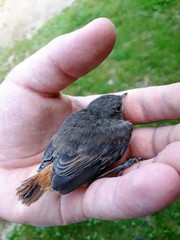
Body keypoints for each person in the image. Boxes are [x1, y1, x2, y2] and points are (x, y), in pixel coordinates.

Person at [0, 18, 179, 226]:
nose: (122, 104)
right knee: (96, 176)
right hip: (70, 170)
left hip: (52, 158)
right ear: (113, 114)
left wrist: (49, 166)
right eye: (119, 108)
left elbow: (60, 144)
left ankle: (43, 178)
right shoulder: (120, 131)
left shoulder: (77, 117)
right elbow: (96, 164)